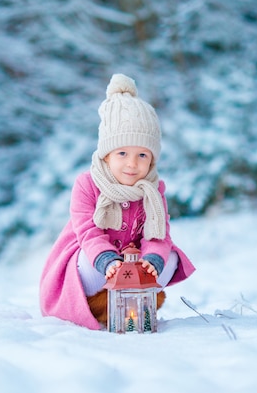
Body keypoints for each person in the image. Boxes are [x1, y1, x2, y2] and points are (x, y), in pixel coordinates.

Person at [39, 73, 195, 330]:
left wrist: (152, 261)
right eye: (122, 153)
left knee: (171, 257)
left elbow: (158, 235)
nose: (132, 163)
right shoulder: (87, 184)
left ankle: (134, 296)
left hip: (133, 265)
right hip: (92, 259)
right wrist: (108, 261)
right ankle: (98, 304)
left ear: (152, 159)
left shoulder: (154, 191)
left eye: (142, 155)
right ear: (107, 155)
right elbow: (87, 232)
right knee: (90, 265)